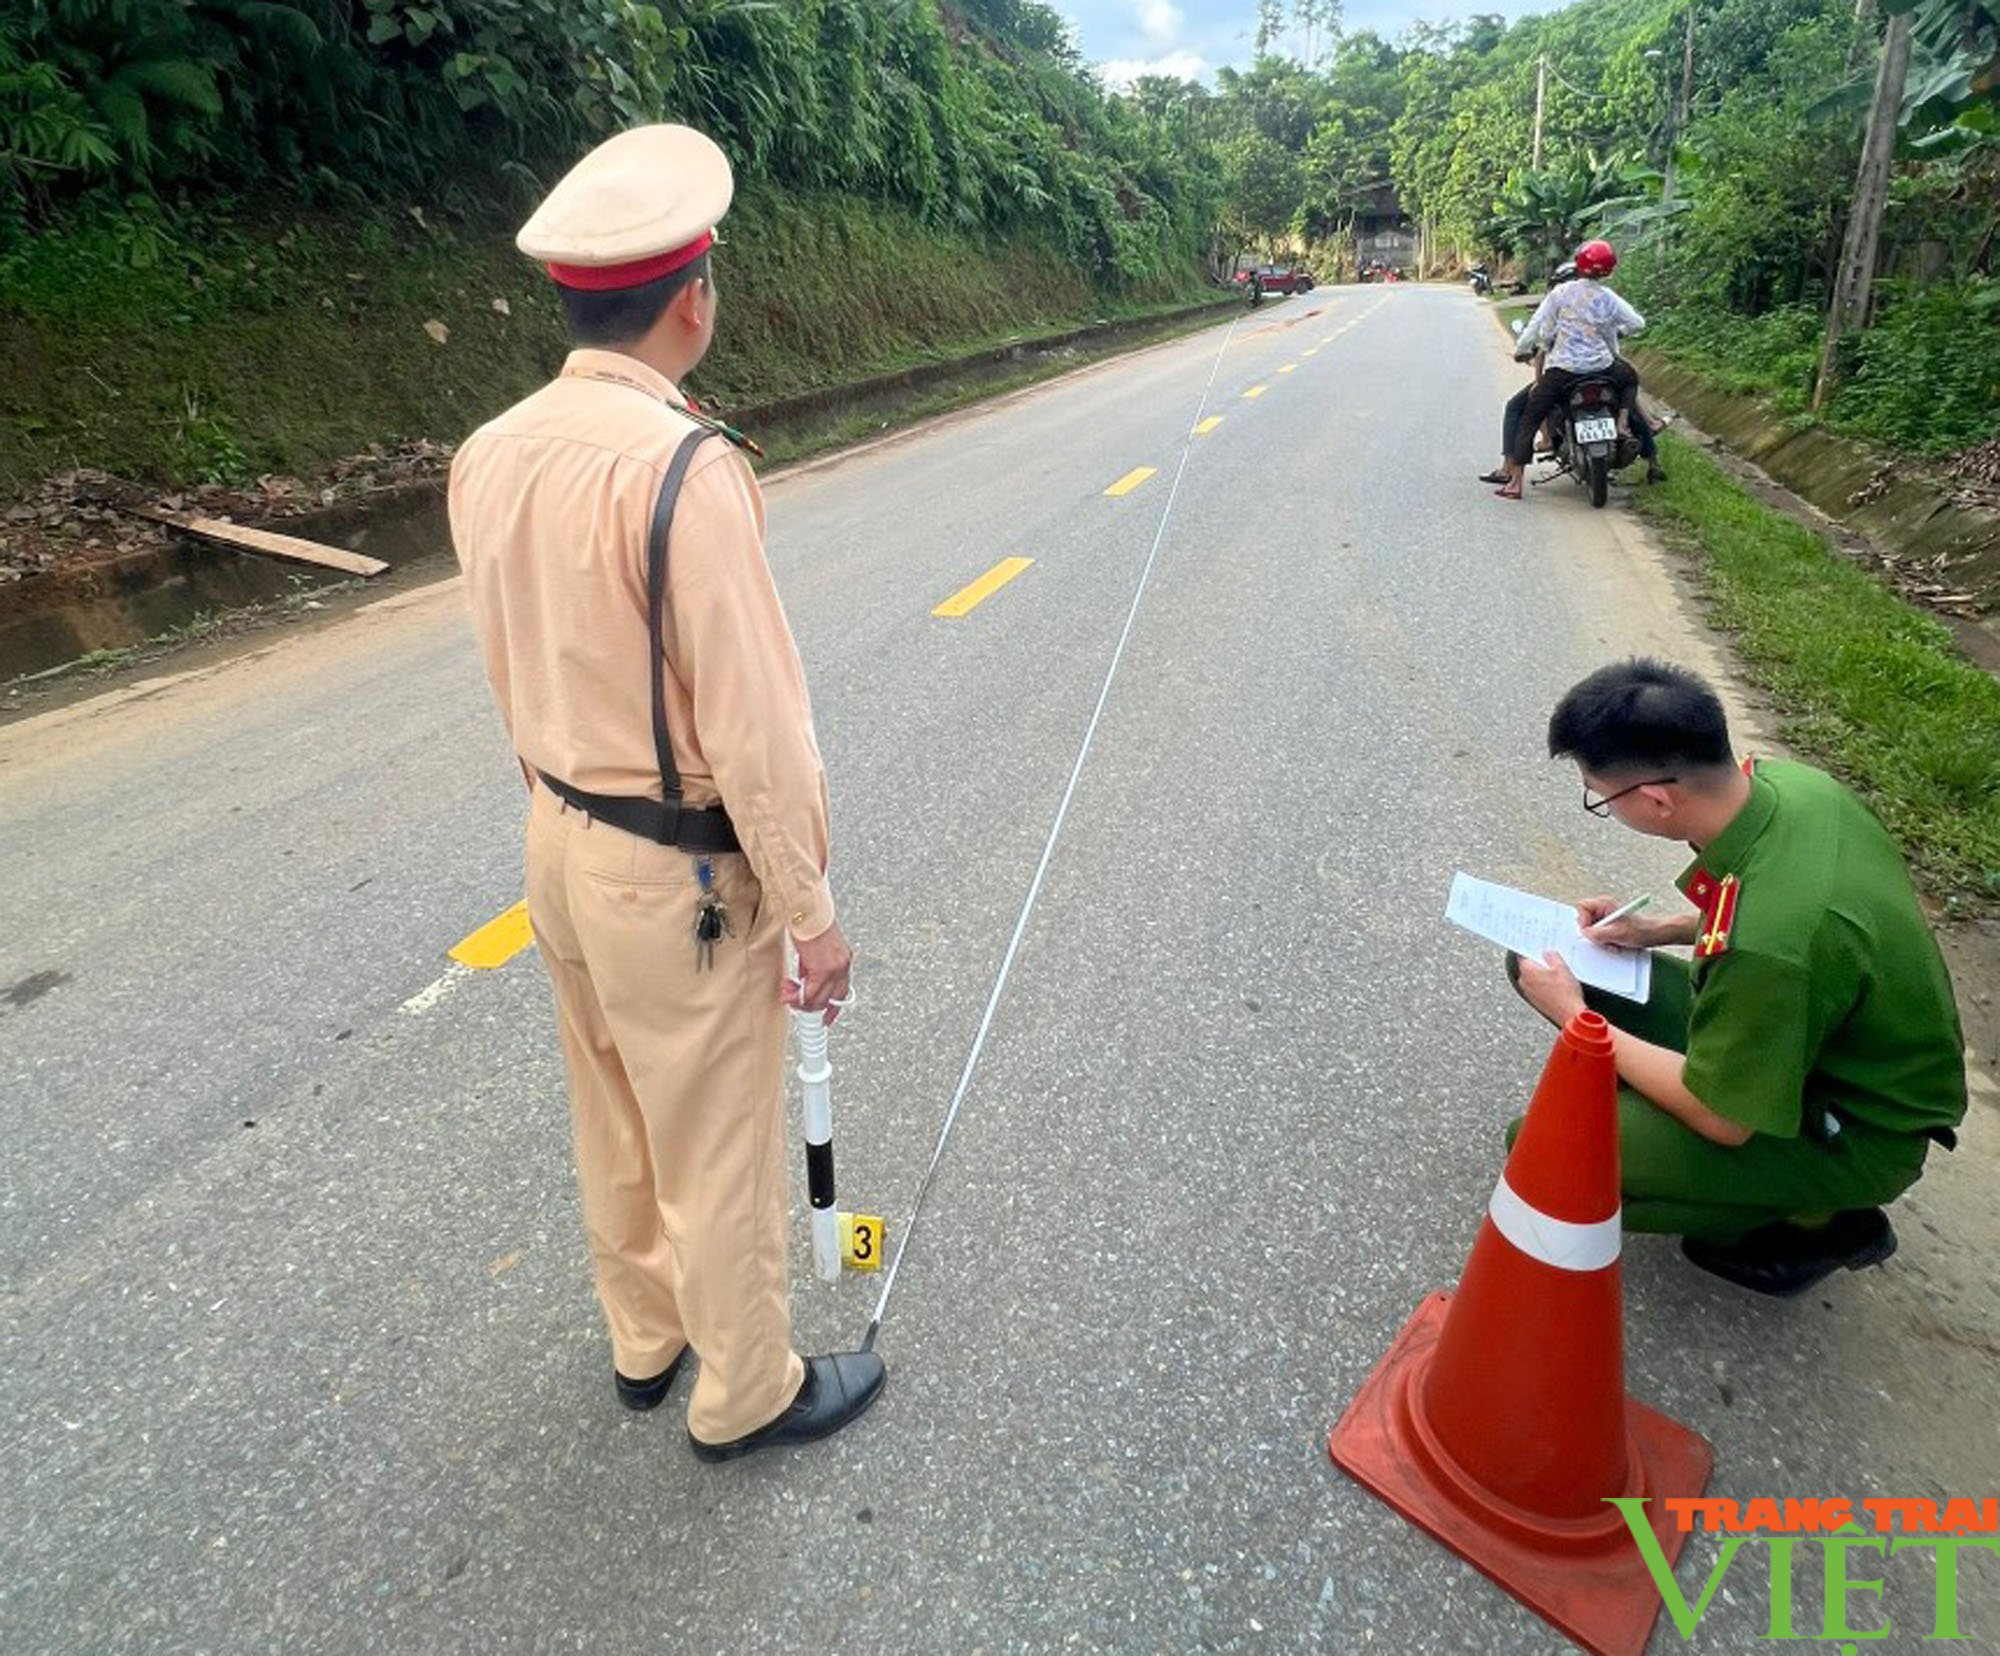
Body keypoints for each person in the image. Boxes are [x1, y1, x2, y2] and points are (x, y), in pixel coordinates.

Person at [447, 124, 886, 1459]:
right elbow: (756, 730)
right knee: (716, 1137)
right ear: (695, 295)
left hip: (558, 840)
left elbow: (507, 664)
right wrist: (809, 912)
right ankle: (745, 1388)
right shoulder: (686, 471)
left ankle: (646, 1343)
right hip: (676, 873)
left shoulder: (491, 450)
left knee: (613, 1108)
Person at [1508, 659, 1967, 1296]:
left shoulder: (1772, 948)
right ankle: (1722, 1162)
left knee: (1546, 1151)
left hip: (1852, 1126)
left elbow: (1723, 1116)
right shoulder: (1791, 787)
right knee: (1533, 955)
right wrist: (1658, 930)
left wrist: (1574, 1019)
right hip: (1803, 1039)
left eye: (1601, 797)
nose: (1604, 807)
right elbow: (1769, 912)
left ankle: (1814, 1218)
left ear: (1656, 799)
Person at [1492, 241, 1655, 500]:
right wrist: (1616, 331)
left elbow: (1538, 327)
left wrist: (1522, 347)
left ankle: (1515, 482)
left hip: (1564, 371)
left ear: (1580, 264)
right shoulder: (1608, 297)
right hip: (1602, 367)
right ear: (1608, 270)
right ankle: (1622, 421)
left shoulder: (1561, 293)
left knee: (1530, 418)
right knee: (1630, 378)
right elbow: (1638, 323)